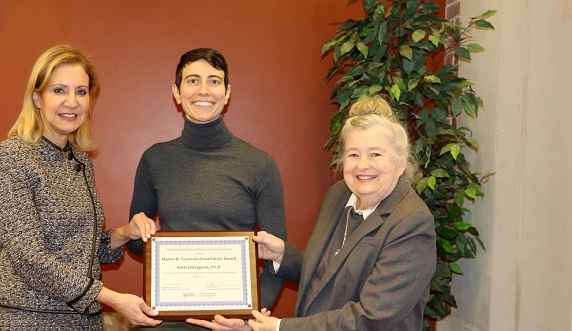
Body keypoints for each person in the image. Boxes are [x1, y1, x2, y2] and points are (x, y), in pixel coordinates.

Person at [0, 44, 162, 330]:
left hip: (81, 322)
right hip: (25, 319)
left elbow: (78, 251)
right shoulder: (10, 157)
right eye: (59, 90)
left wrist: (123, 234)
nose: (72, 102)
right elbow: (29, 258)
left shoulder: (79, 160)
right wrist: (113, 298)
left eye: (81, 92)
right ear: (37, 98)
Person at [126, 48, 287, 330]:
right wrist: (138, 231)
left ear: (227, 94)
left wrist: (249, 317)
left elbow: (277, 258)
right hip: (169, 318)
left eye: (214, 81)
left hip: (232, 320)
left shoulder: (260, 164)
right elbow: (138, 246)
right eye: (192, 80)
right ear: (176, 92)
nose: (203, 90)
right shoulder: (155, 159)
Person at [247, 96, 437, 330]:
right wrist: (284, 256)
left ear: (401, 162)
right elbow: (333, 275)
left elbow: (373, 316)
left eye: (375, 154)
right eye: (353, 154)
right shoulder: (338, 195)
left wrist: (281, 328)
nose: (362, 165)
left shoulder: (411, 221)